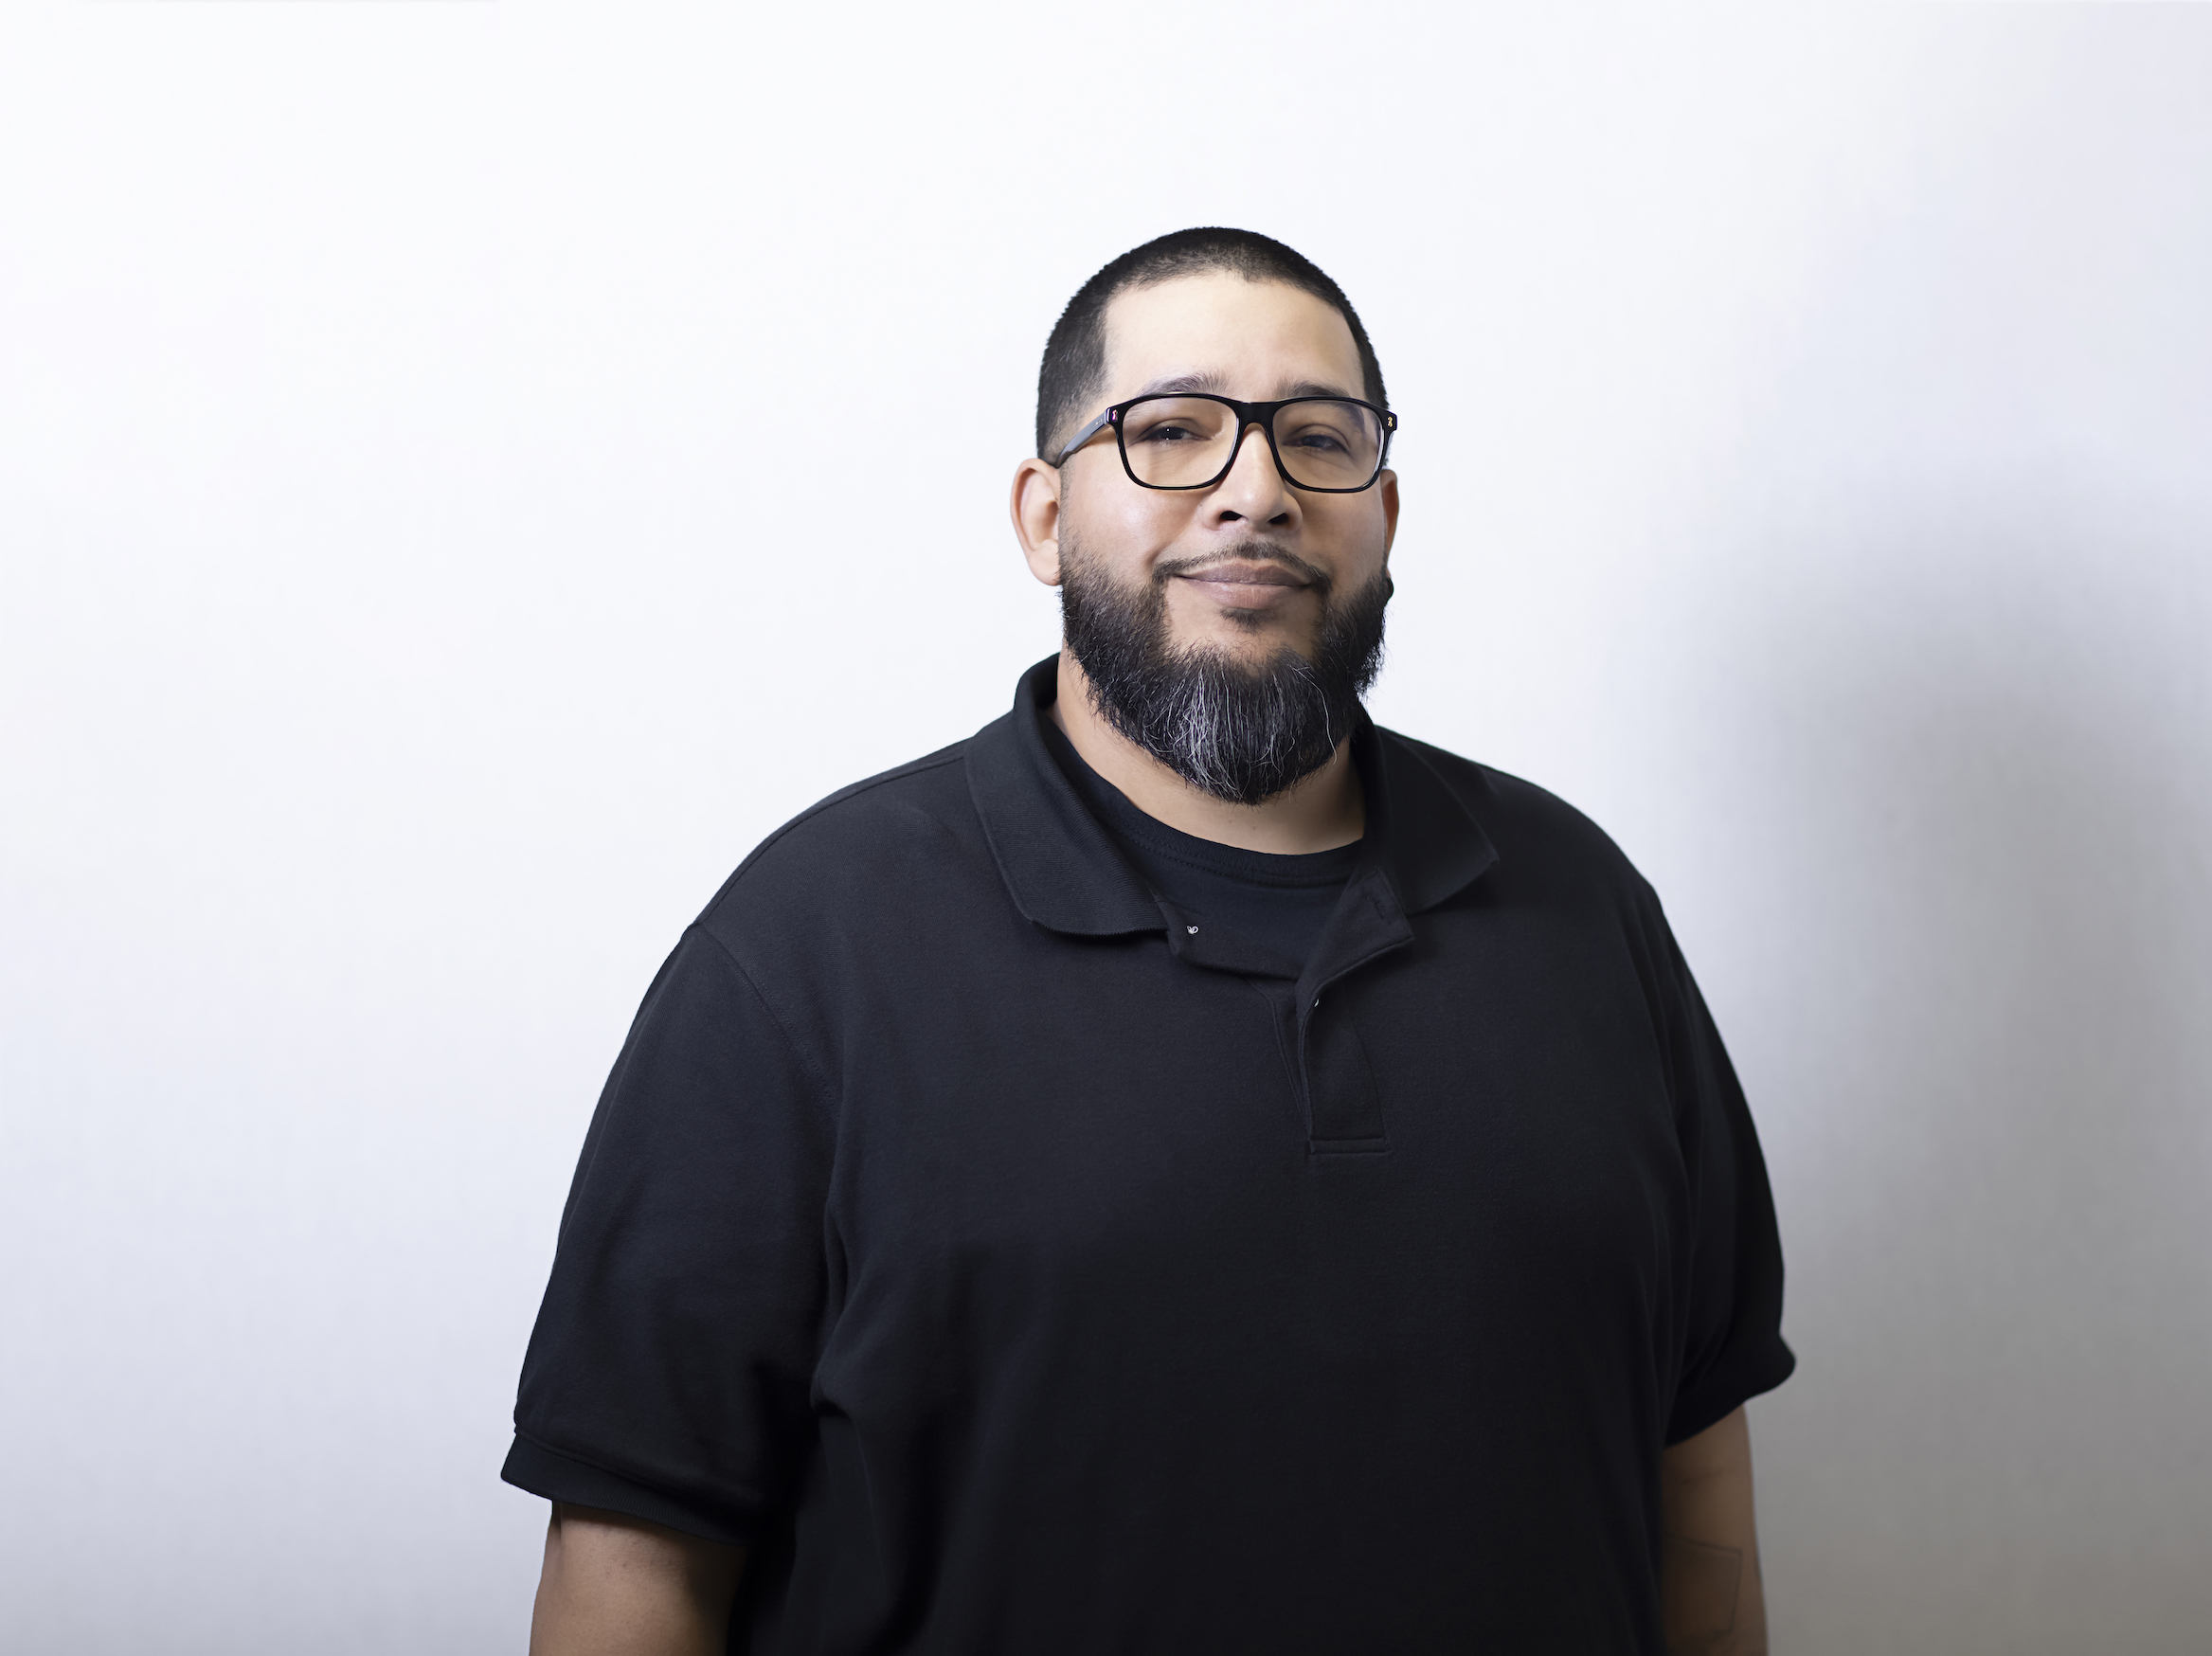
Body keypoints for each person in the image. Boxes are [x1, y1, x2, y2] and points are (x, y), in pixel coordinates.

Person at [505, 227, 1793, 1656]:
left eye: (1320, 439)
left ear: (1385, 512)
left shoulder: (1582, 908)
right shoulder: (804, 952)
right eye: (1171, 431)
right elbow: (633, 1566)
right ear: (1045, 517)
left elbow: (1695, 1469)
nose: (1257, 490)